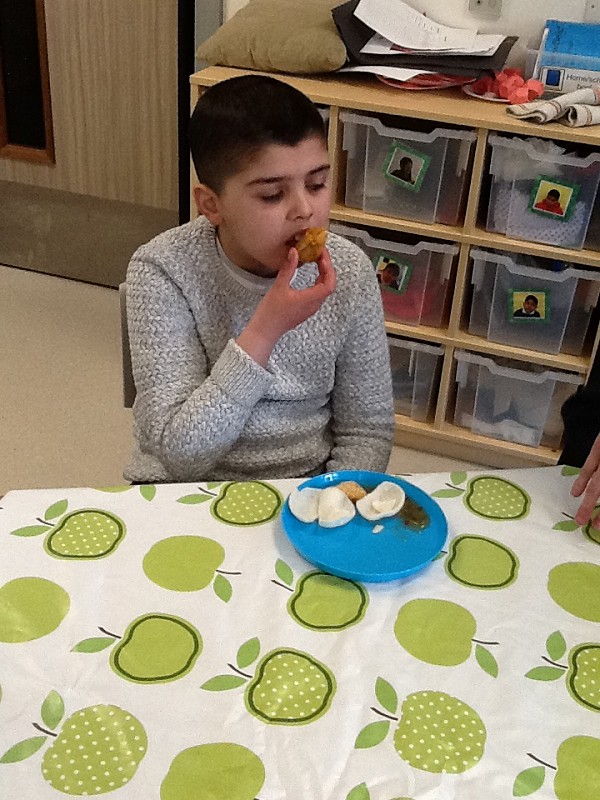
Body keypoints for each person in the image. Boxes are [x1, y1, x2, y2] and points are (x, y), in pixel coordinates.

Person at [124, 75, 394, 483]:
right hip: (190, 483)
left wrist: (333, 496)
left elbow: (367, 430)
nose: (304, 210)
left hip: (308, 481)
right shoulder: (163, 270)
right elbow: (180, 454)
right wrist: (264, 332)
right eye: (272, 195)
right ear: (212, 205)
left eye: (317, 183)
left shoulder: (350, 271)